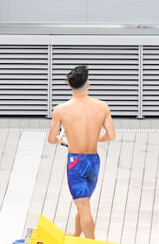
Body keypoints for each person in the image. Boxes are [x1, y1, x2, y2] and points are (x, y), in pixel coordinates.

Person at [48, 65, 116, 240]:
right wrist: (93, 138)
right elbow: (111, 135)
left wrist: (61, 139)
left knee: (84, 207)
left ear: (69, 85)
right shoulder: (102, 107)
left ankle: (90, 242)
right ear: (88, 84)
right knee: (84, 202)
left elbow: (51, 139)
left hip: (76, 163)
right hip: (93, 162)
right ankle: (77, 233)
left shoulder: (61, 110)